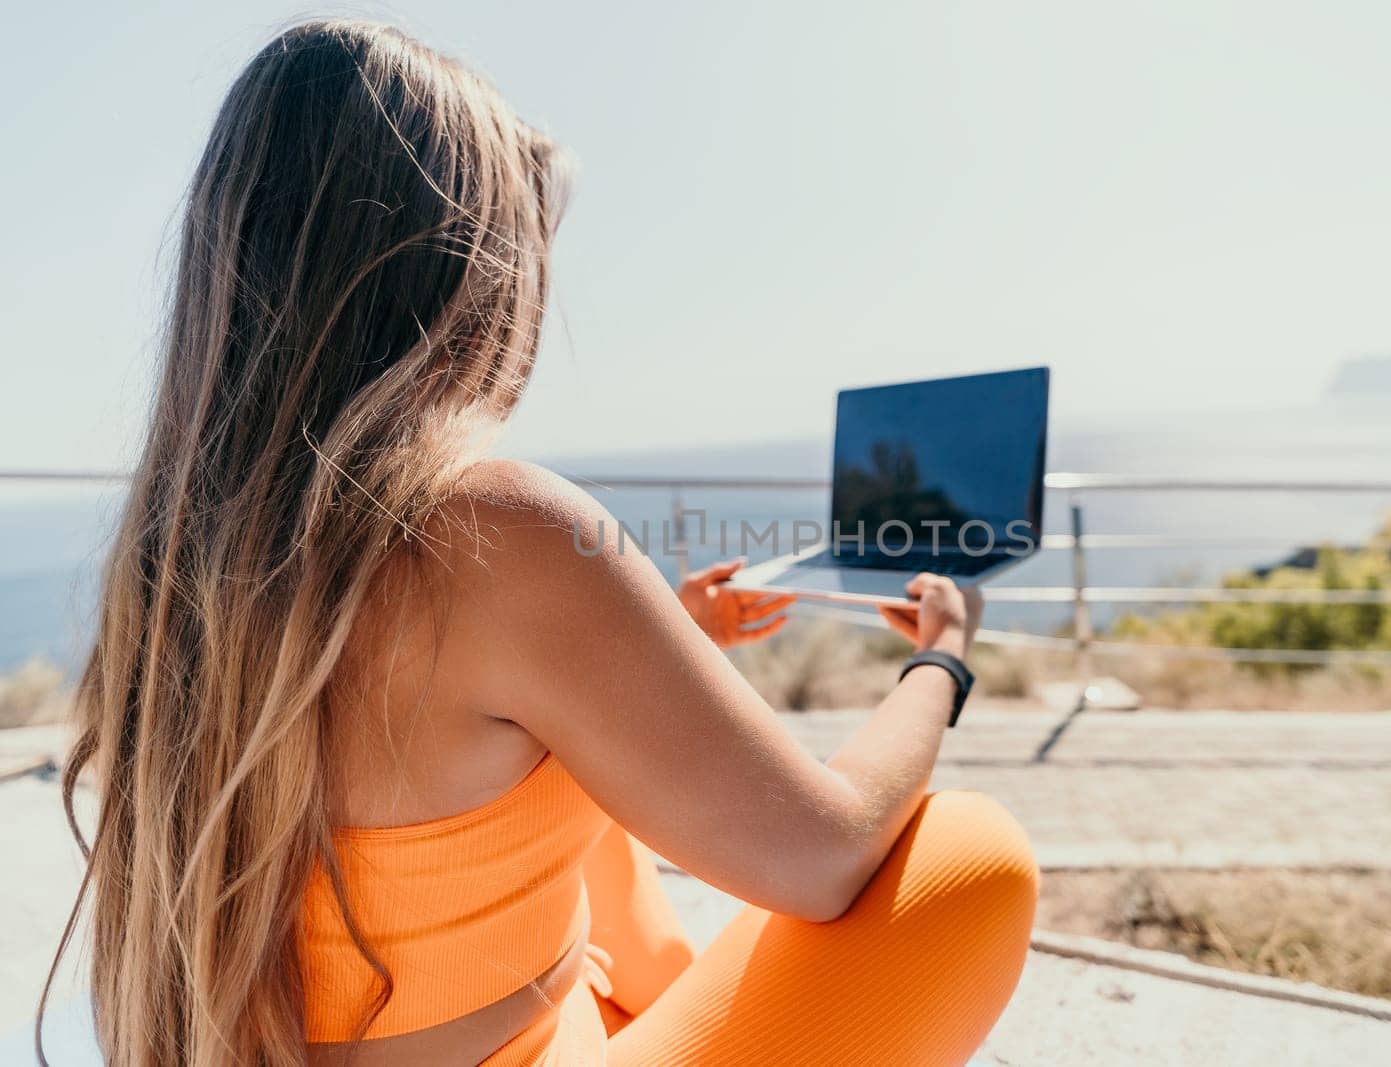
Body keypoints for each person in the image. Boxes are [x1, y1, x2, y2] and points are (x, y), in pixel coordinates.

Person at [45, 20, 1037, 1066]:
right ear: (469, 264)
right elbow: (825, 854)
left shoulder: (177, 557)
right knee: (971, 856)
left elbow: (406, 728)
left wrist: (671, 638)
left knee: (577, 764)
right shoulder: (492, 523)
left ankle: (648, 999)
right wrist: (941, 659)